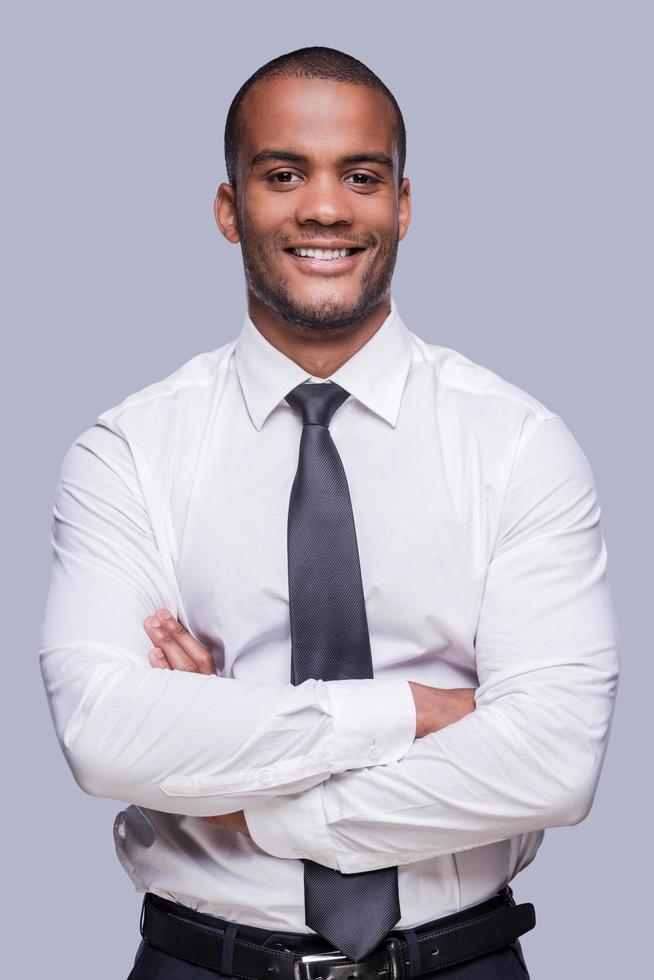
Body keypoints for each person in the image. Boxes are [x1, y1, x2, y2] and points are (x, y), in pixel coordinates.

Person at [38, 45, 620, 980]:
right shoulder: (129, 452)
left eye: (361, 175)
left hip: (460, 962)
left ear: (403, 205)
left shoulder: (516, 444)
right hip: (203, 964)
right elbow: (104, 737)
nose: (324, 207)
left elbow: (552, 763)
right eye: (282, 174)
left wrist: (236, 776)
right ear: (230, 209)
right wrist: (419, 713)